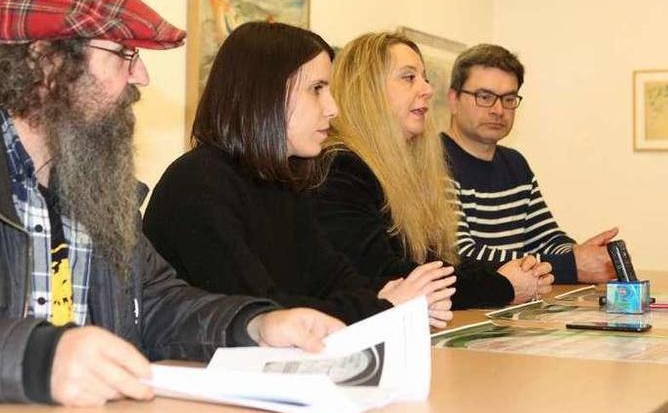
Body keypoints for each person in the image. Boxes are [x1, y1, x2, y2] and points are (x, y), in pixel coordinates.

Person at [0, 0, 342, 409]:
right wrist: (33, 359)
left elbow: (152, 305)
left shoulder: (87, 170)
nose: (143, 77)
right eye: (123, 54)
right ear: (46, 60)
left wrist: (252, 327)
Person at [143, 22, 455, 328]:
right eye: (317, 89)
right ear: (265, 93)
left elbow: (333, 279)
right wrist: (384, 304)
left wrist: (388, 296)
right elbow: (261, 311)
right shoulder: (198, 184)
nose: (333, 108)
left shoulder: (280, 181)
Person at [311, 31, 553, 309]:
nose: (427, 89)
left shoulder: (405, 168)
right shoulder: (340, 166)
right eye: (409, 77)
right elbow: (386, 274)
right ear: (367, 88)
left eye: (424, 77)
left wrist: (512, 271)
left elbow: (435, 260)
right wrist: (502, 285)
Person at [443, 44, 617, 284]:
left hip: (514, 308)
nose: (498, 110)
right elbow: (462, 255)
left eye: (509, 99)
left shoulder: (515, 163)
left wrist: (582, 255)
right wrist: (571, 266)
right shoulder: (433, 161)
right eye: (485, 97)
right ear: (453, 100)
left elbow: (546, 238)